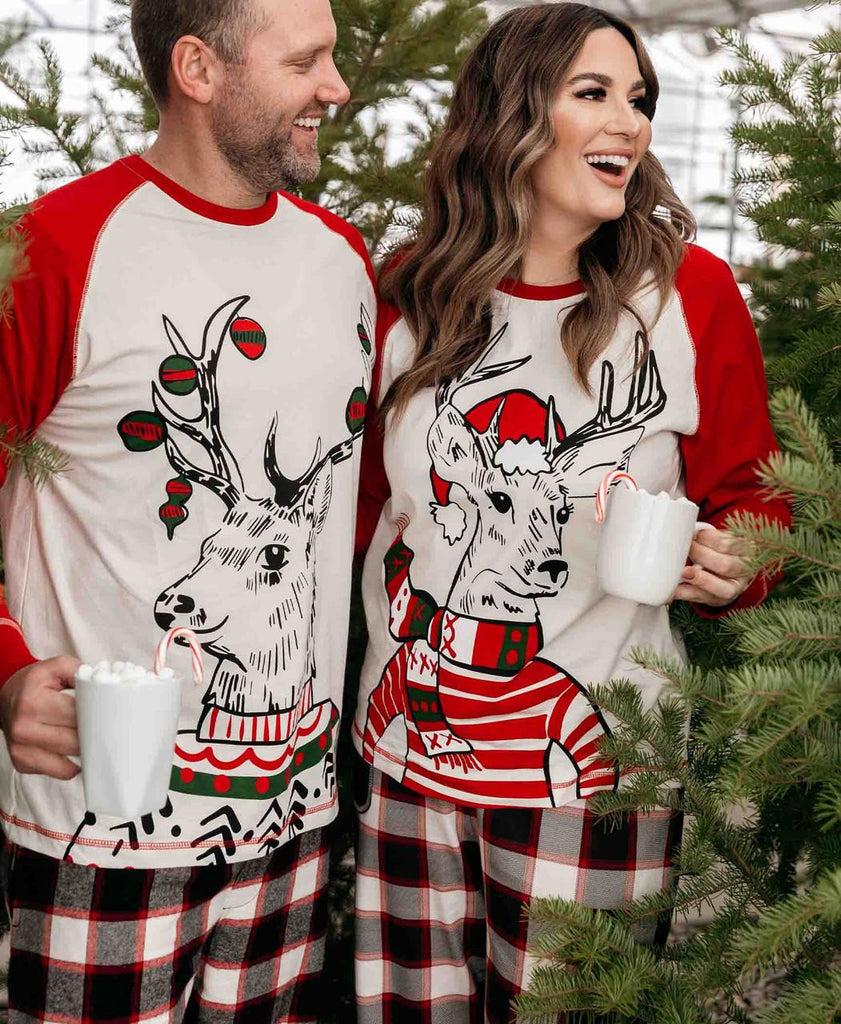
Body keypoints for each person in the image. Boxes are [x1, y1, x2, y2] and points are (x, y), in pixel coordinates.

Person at [351, 5, 790, 1022]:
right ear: (510, 116)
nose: (628, 123)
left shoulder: (686, 297)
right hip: (408, 744)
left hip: (595, 759)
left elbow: (755, 501)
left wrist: (736, 563)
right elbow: (367, 511)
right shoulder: (403, 296)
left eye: (637, 100)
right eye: (592, 94)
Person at [0, 0, 376, 1019]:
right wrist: (1, 669)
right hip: (101, 820)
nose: (335, 86)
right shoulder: (57, 250)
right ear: (199, 69)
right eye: (306, 61)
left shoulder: (344, 265)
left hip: (291, 822)